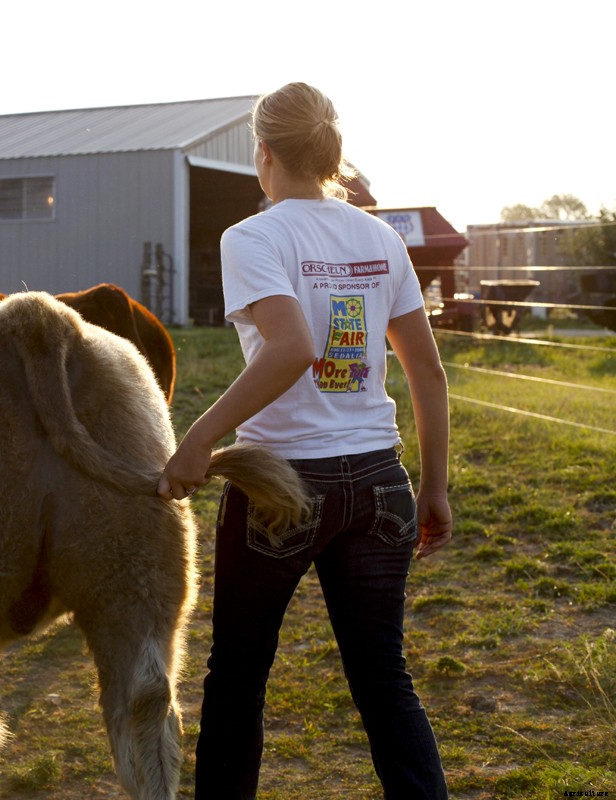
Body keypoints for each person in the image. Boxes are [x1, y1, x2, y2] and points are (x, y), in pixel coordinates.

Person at [158, 82, 452, 798]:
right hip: (383, 485)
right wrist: (434, 487)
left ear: (263, 155)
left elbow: (290, 347)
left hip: (283, 489)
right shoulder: (380, 236)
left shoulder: (253, 236)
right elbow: (428, 371)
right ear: (330, 153)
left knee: (238, 677)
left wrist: (196, 440)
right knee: (384, 678)